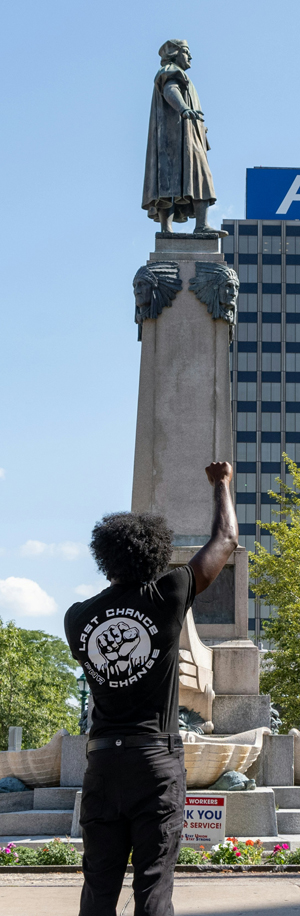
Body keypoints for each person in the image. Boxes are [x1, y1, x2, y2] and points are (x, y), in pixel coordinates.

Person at [64, 461, 238, 916]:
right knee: (153, 886)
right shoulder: (169, 594)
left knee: (98, 889)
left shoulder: (77, 617)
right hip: (154, 760)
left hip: (102, 760)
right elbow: (225, 542)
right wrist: (221, 485)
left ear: (106, 556)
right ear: (156, 553)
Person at [142, 39, 216, 233]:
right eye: (186, 51)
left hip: (190, 137)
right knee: (167, 180)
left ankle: (201, 225)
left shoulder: (186, 79)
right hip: (173, 138)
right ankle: (167, 230)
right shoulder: (170, 71)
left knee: (200, 176)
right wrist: (184, 109)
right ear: (174, 54)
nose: (190, 56)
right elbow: (170, 90)